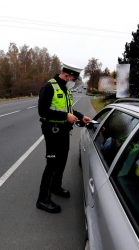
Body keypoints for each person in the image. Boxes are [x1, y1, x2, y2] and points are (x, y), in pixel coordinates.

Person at [36, 62, 92, 213]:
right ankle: (43, 199)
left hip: (64, 131)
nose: (74, 83)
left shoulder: (65, 89)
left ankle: (55, 187)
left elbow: (69, 109)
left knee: (61, 161)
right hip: (52, 132)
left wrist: (80, 116)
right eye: (73, 79)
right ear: (67, 75)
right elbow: (43, 111)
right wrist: (65, 116)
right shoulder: (48, 87)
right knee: (52, 164)